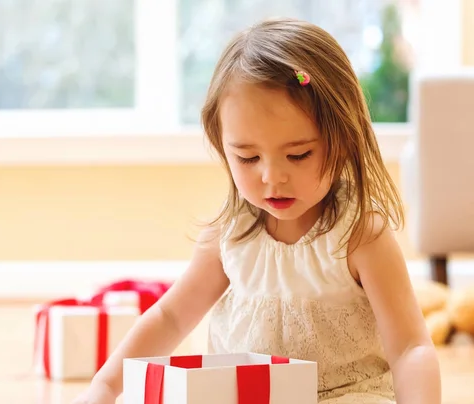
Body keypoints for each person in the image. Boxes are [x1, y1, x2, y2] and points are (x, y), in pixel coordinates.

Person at [73, 17, 441, 404]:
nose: (272, 177)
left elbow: (410, 348)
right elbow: (171, 318)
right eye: (247, 157)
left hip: (344, 395)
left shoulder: (360, 235)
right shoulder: (229, 236)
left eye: (298, 155)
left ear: (344, 141)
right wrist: (105, 387)